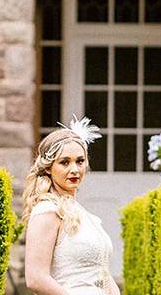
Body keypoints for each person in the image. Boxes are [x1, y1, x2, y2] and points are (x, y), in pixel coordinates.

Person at [22, 116, 120, 295]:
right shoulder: (47, 210)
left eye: (80, 161)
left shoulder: (86, 216)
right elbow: (35, 278)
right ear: (49, 168)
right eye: (65, 162)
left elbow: (103, 275)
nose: (74, 169)